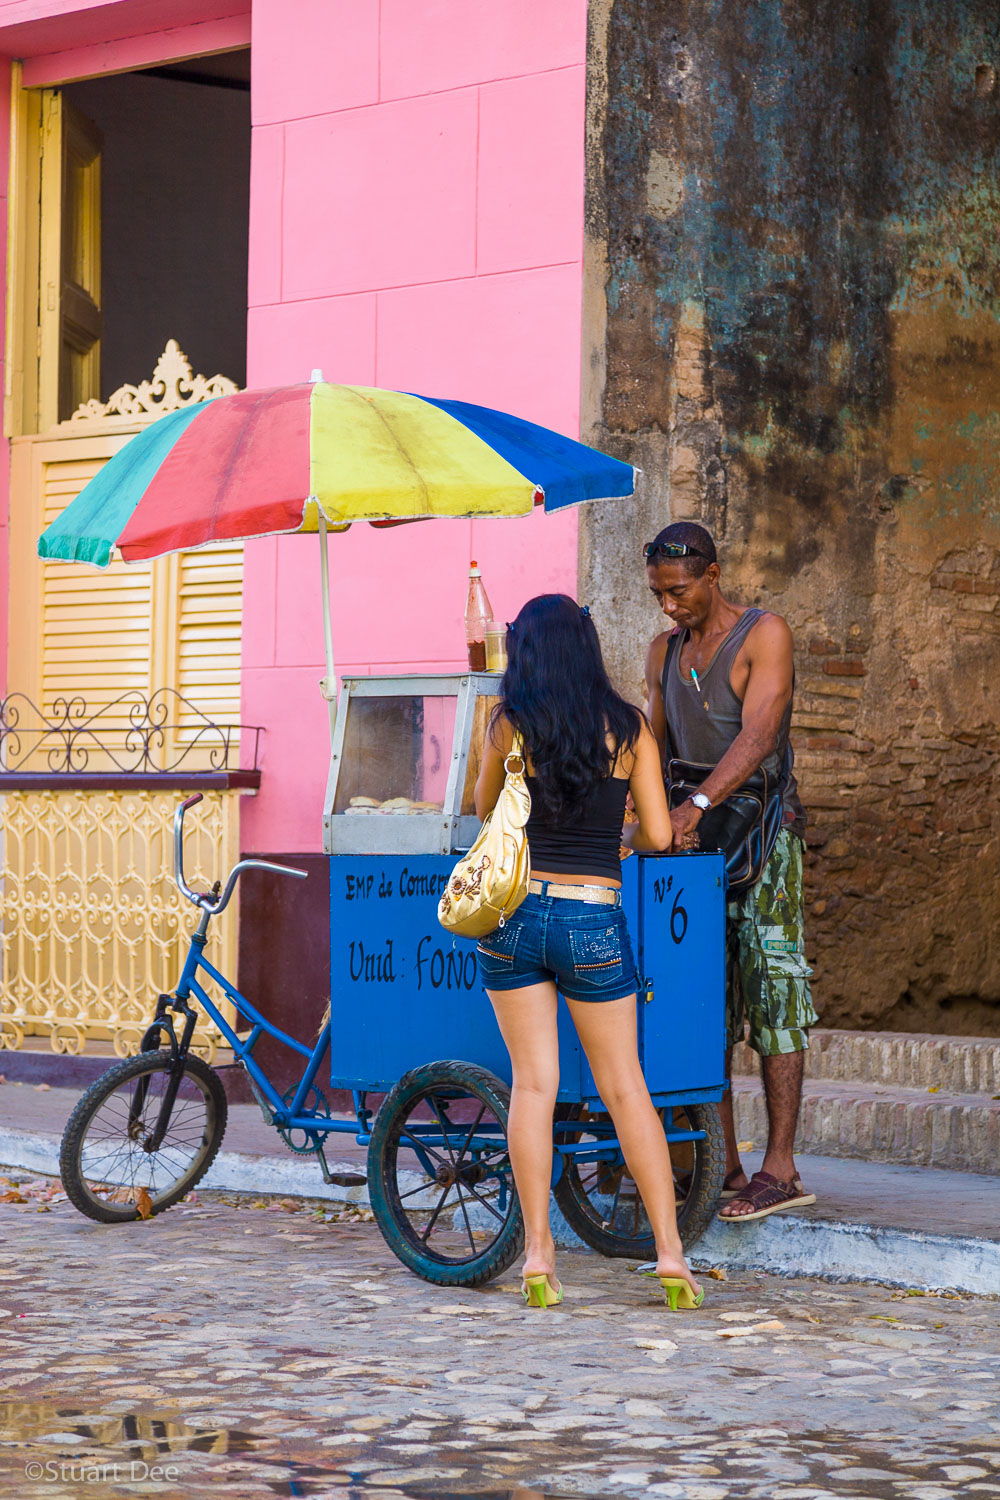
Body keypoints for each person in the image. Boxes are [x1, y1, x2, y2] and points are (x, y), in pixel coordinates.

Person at [474, 594, 703, 1310]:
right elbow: (661, 839)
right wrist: (621, 832)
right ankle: (670, 1257)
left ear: (532, 654)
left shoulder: (510, 724)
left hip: (514, 915)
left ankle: (539, 1254)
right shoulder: (630, 729)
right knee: (625, 1085)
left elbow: (485, 812)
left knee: (533, 1085)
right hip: (592, 917)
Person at [643, 522, 818, 1222]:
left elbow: (759, 735)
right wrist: (648, 819)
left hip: (764, 834)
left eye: (678, 591)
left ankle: (780, 1168)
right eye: (658, 594)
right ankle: (720, 1162)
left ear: (712, 575)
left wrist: (698, 805)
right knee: (699, 1002)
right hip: (692, 845)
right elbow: (652, 747)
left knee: (774, 990)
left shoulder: (764, 634)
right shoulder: (662, 652)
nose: (668, 606)